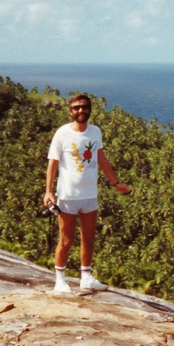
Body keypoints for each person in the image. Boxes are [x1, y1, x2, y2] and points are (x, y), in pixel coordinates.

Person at [44, 93, 130, 293]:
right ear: (70, 111)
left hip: (90, 195)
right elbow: (53, 163)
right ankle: (60, 280)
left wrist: (115, 182)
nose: (80, 111)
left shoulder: (95, 132)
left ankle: (86, 278)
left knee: (89, 238)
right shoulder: (62, 133)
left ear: (90, 109)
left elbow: (101, 158)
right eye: (76, 108)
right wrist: (48, 192)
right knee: (66, 240)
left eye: (84, 107)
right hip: (67, 196)